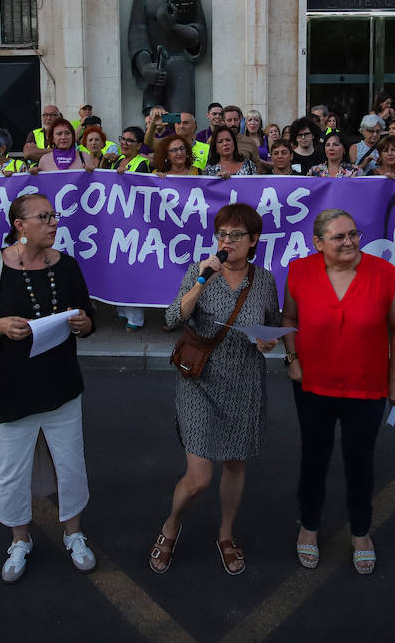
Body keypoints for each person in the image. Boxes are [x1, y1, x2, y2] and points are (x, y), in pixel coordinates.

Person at [0, 194, 97, 584]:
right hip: (11, 389)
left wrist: (84, 324)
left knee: (70, 464)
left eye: (54, 215)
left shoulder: (67, 265)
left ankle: (74, 533)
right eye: (44, 217)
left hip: (61, 384)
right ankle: (20, 539)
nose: (53, 222)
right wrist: (0, 325)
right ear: (20, 225)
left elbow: (88, 316)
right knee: (11, 471)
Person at [150, 204, 283, 576]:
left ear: (253, 240)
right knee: (198, 479)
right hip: (200, 381)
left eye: (236, 235)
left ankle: (225, 533)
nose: (227, 242)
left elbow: (272, 324)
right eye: (222, 234)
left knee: (235, 464)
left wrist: (268, 342)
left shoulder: (264, 280)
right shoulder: (200, 270)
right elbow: (172, 318)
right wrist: (201, 283)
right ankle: (172, 525)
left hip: (244, 382)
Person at [280, 209, 395, 575]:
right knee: (314, 458)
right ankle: (309, 526)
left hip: (366, 386)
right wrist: (292, 358)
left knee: (360, 461)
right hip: (313, 385)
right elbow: (290, 318)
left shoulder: (385, 274)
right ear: (318, 242)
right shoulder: (299, 271)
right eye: (339, 237)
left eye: (353, 234)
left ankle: (361, 532)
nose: (349, 242)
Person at [127, 0, 207, 115]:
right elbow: (137, 34)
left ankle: (176, 132)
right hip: (155, 64)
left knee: (180, 120)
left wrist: (173, 27)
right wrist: (145, 67)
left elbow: (199, 34)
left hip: (180, 65)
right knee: (156, 122)